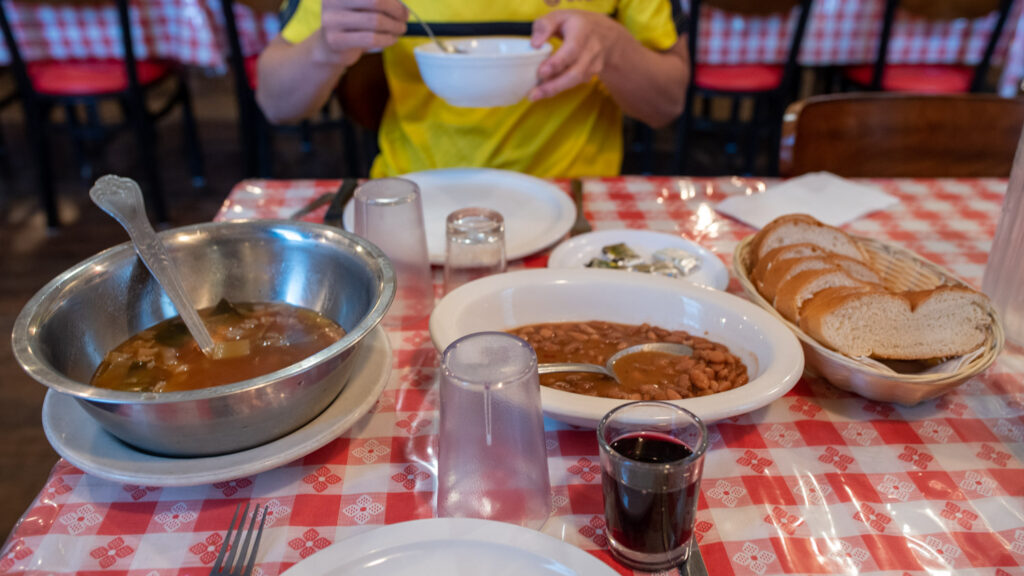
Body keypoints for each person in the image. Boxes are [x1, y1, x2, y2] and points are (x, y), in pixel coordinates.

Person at [257, 0, 688, 178]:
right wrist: (325, 48)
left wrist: (613, 48)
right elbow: (276, 103)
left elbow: (667, 103)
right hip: (414, 196)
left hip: (572, 197)